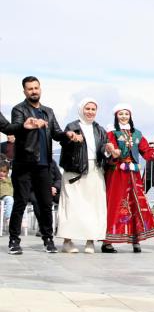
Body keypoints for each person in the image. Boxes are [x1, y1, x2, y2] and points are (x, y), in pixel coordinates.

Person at [7, 76, 80, 255]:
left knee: (46, 204)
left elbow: (56, 133)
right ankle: (14, 241)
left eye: (36, 88)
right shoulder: (19, 109)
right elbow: (14, 127)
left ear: (40, 89)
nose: (34, 91)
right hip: (23, 164)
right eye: (30, 89)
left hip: (44, 165)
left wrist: (67, 134)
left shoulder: (48, 111)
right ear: (24, 91)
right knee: (20, 202)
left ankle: (48, 239)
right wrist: (26, 126)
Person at [101, 104, 154, 253]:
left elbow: (146, 150)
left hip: (133, 175)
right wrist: (112, 152)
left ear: (130, 116)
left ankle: (136, 238)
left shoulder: (137, 134)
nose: (124, 116)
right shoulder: (111, 133)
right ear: (116, 116)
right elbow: (110, 151)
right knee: (115, 204)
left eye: (126, 114)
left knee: (136, 205)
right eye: (121, 114)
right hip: (116, 174)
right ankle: (107, 241)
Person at [55, 98, 108, 254]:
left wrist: (109, 148)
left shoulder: (99, 129)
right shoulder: (72, 126)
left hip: (95, 170)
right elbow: (64, 143)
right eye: (88, 108)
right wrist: (71, 138)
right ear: (81, 109)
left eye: (93, 109)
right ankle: (67, 241)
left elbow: (103, 146)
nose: (90, 112)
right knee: (71, 205)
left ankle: (90, 240)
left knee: (94, 206)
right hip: (75, 170)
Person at [0, 164, 12, 229]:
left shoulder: (9, 179)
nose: (2, 173)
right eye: (0, 171)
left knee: (13, 201)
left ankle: (9, 218)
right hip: (2, 197)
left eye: (4, 172)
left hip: (8, 196)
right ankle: (8, 217)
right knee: (10, 199)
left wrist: (5, 180)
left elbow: (13, 184)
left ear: (7, 173)